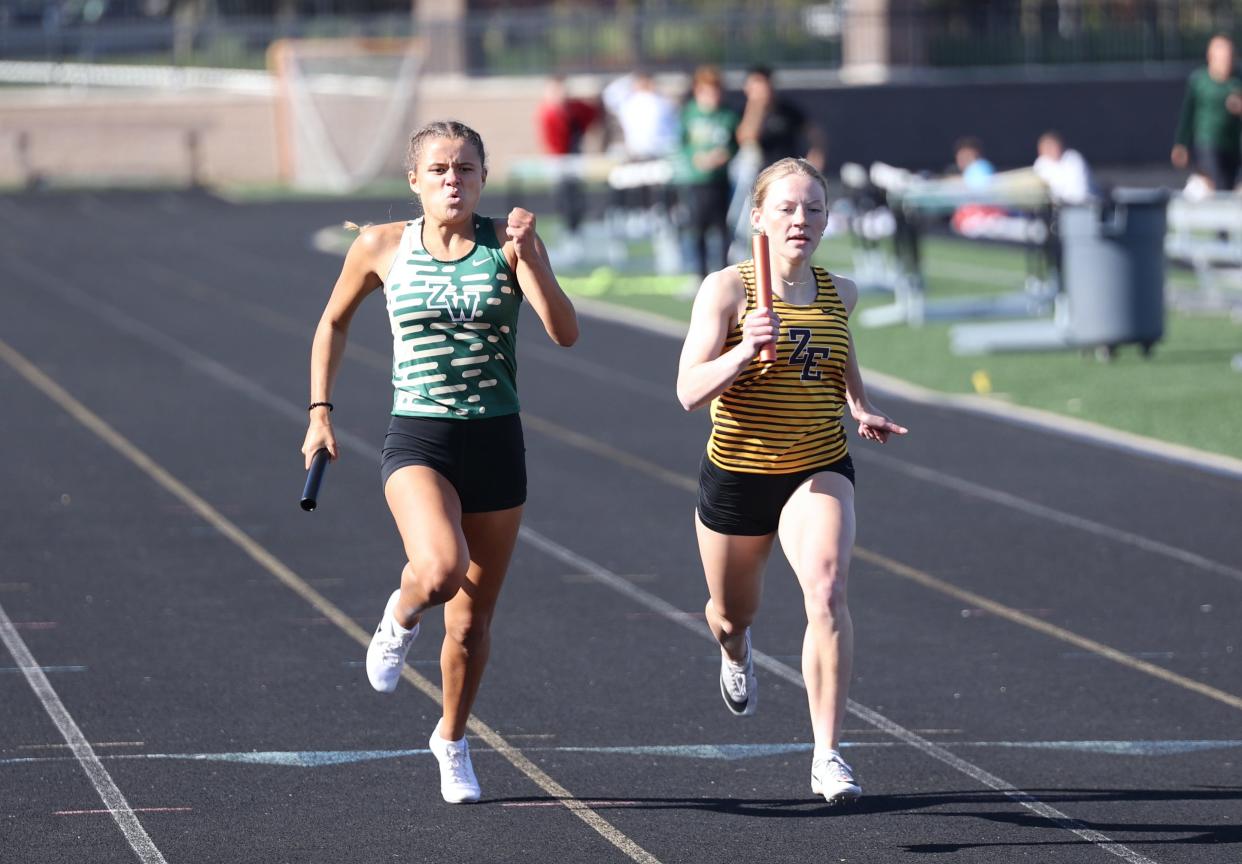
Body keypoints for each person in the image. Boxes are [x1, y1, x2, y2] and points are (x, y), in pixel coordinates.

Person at [301, 120, 578, 804]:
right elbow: (332, 322)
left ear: (484, 178)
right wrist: (320, 413)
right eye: (440, 169)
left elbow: (565, 332)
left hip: (495, 441)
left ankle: (451, 740)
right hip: (420, 437)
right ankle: (399, 615)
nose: (454, 180)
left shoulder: (505, 247)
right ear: (415, 181)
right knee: (441, 571)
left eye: (466, 169)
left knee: (473, 621)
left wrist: (534, 254)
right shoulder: (382, 246)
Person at [676, 157, 907, 805]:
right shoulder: (727, 290)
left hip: (817, 463)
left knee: (828, 587)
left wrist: (859, 404)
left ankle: (828, 754)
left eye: (813, 209)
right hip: (739, 474)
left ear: (828, 219)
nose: (800, 220)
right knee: (729, 612)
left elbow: (839, 347)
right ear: (758, 217)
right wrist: (744, 348)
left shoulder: (841, 291)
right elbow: (687, 391)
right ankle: (735, 648)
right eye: (786, 208)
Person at [730, 65, 828, 257]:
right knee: (748, 227)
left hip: (787, 180)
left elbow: (815, 134)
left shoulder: (787, 110)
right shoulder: (745, 111)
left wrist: (815, 157)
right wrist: (756, 106)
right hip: (758, 181)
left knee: (791, 224)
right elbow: (746, 138)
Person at [680, 65, 740, 279]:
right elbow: (682, 144)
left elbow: (736, 143)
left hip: (720, 181)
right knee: (697, 228)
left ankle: (725, 271)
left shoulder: (728, 115)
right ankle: (700, 274)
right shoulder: (690, 113)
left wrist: (724, 155)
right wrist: (696, 158)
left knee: (722, 228)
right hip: (696, 181)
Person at [1171, 33, 1242, 193]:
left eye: (1229, 56)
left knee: (1228, 187)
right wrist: (1181, 143)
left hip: (1232, 144)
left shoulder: (1238, 79)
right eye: (1222, 57)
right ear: (1211, 57)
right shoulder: (1199, 81)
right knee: (1217, 184)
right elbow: (1188, 113)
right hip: (1208, 142)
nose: (1226, 61)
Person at [535, 75, 602, 235]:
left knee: (577, 194)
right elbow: (555, 139)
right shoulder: (548, 112)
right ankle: (568, 229)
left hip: (575, 156)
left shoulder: (574, 108)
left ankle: (577, 228)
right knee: (563, 195)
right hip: (559, 160)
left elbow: (592, 114)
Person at [1032, 130, 1096, 205]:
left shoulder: (1074, 159)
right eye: (1045, 148)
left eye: (1051, 147)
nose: (1049, 151)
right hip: (1054, 208)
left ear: (1059, 145)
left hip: (1085, 206)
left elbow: (1079, 193)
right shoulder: (1041, 163)